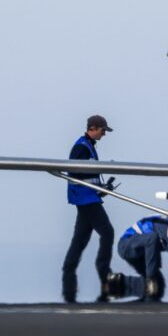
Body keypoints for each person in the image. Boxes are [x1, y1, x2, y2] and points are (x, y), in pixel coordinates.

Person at [61, 115, 115, 303]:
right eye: (103, 131)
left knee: (79, 241)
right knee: (107, 233)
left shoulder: (88, 146)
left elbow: (87, 176)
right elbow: (75, 172)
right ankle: (105, 275)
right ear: (93, 128)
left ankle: (68, 288)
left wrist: (101, 189)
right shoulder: (81, 147)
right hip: (85, 199)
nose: (104, 134)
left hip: (88, 197)